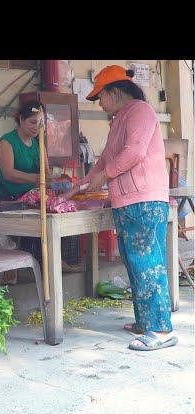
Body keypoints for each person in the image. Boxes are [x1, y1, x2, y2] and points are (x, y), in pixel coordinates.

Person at [62, 65, 177, 351]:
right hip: (128, 202)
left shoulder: (140, 111)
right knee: (134, 262)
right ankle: (145, 322)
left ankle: (161, 330)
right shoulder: (119, 120)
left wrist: (104, 175)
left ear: (114, 92)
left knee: (147, 264)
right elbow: (103, 163)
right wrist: (82, 184)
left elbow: (134, 153)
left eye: (100, 97)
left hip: (144, 200)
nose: (99, 104)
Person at [0, 100, 51, 200]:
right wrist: (37, 178)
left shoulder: (39, 143)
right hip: (10, 200)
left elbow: (46, 172)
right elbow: (8, 174)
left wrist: (56, 180)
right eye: (33, 122)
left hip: (34, 196)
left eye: (40, 123)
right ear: (21, 119)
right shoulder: (6, 142)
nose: (37, 127)